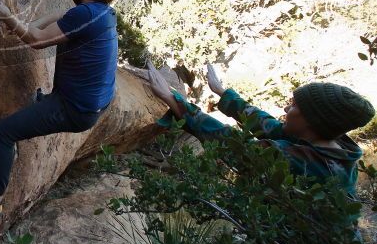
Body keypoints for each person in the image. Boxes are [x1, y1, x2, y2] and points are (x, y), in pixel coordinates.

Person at [0, 0, 122, 218]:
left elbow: (36, 42)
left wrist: (10, 19)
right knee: (69, 39)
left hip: (75, 109)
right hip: (94, 104)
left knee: (4, 132)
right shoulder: (103, 14)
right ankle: (47, 101)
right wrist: (28, 26)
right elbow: (63, 17)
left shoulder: (86, 14)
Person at [146, 62, 375, 196]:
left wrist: (172, 98)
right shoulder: (334, 147)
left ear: (312, 121)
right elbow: (270, 127)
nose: (286, 108)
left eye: (294, 107)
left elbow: (232, 144)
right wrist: (223, 93)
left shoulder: (299, 161)